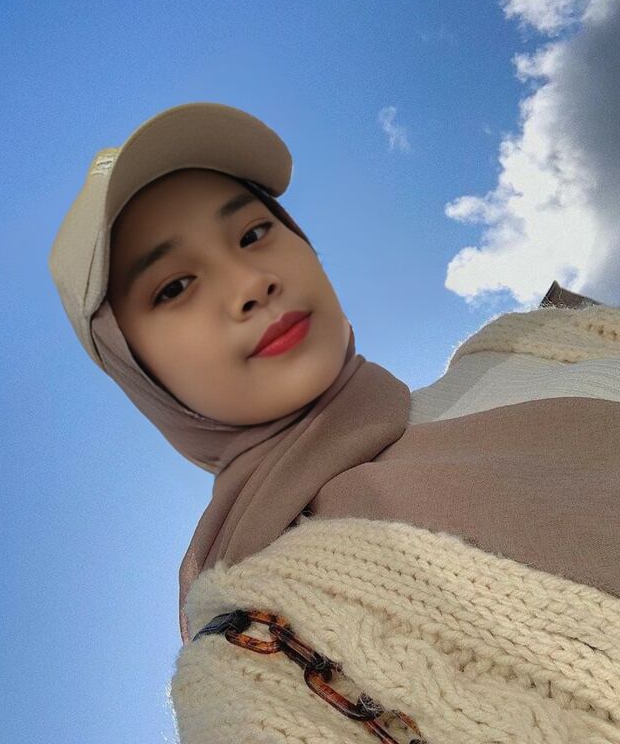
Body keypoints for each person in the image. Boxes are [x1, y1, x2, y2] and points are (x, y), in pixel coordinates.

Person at [49, 102, 620, 744]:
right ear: (136, 368)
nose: (250, 282)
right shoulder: (255, 662)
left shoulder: (538, 344)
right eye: (174, 287)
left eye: (253, 233)